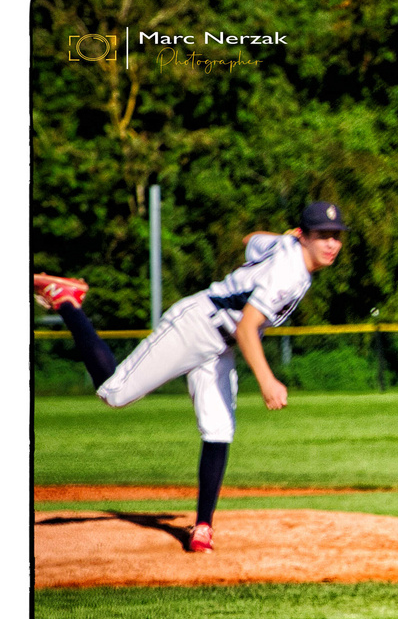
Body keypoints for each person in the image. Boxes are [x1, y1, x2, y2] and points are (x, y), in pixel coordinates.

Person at [32, 201, 348, 553]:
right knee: (113, 392)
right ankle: (67, 300)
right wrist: (267, 380)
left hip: (219, 345)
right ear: (304, 236)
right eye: (322, 236)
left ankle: (202, 527)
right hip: (196, 325)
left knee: (219, 430)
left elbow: (250, 240)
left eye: (336, 236)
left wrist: (284, 238)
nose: (331, 244)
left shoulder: (286, 246)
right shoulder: (290, 272)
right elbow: (247, 328)